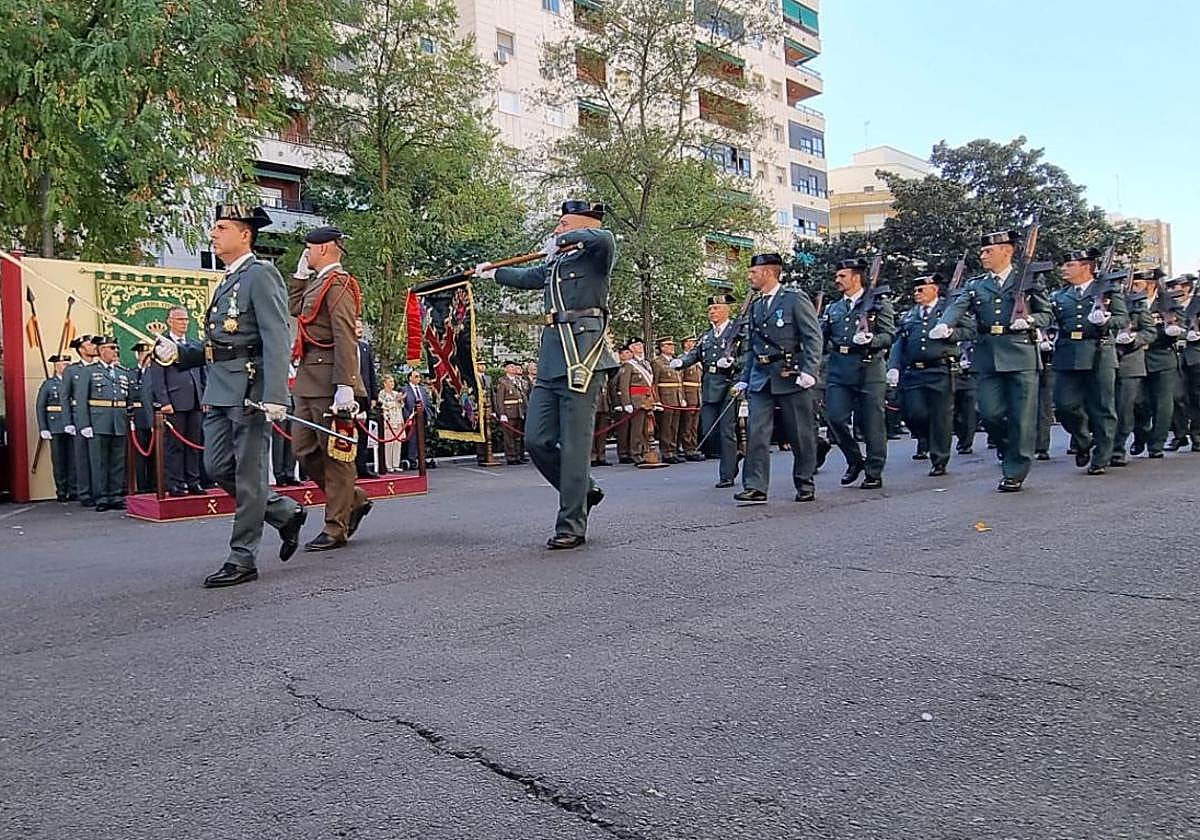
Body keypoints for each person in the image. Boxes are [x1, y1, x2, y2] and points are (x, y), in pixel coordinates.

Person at [156, 204, 306, 587]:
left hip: (250, 389)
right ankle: (285, 512)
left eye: (221, 227)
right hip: (220, 388)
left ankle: (242, 557)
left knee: (250, 473)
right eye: (214, 227)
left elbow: (276, 334)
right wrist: (182, 353)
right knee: (217, 467)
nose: (213, 233)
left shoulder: (261, 275)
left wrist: (276, 393)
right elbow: (220, 343)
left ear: (244, 234)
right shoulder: (227, 280)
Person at [475, 199, 618, 549]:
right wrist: (493, 272)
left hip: (583, 354)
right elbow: (529, 277)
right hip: (553, 357)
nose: (557, 230)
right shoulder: (558, 261)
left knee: (574, 447)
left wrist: (573, 238)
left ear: (585, 225)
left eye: (564, 224)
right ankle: (584, 490)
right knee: (536, 440)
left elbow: (605, 238)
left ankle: (571, 524)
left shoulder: (595, 254)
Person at [932, 229, 1052, 492]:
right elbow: (958, 306)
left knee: (1022, 417)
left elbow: (1047, 314)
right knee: (989, 412)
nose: (983, 255)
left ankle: (1015, 471)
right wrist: (944, 324)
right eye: (983, 251)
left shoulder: (1028, 280)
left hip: (1021, 353)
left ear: (1007, 251)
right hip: (988, 355)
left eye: (988, 251)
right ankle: (1008, 447)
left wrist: (1030, 320)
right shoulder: (976, 285)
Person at [289, 225, 372, 552]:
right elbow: (297, 311)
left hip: (329, 382)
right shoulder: (316, 282)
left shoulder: (339, 285)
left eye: (308, 249)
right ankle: (355, 499)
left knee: (336, 457)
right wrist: (298, 278)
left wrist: (346, 386)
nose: (306, 254)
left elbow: (344, 336)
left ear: (323, 249)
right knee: (304, 451)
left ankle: (335, 526)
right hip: (308, 381)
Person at [731, 252, 821, 504]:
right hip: (762, 377)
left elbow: (812, 337)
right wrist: (745, 377)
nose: (750, 276)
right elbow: (752, 346)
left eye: (753, 272)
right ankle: (755, 486)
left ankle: (805, 482)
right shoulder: (756, 305)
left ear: (768, 272)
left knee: (799, 434)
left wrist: (810, 371)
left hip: (791, 375)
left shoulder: (794, 299)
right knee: (757, 432)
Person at [1046, 249, 1128, 474]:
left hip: (1098, 351)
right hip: (1068, 352)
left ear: (1086, 266)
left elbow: (1123, 319)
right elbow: (1051, 321)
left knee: (1102, 407)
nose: (1064, 269)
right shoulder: (1060, 295)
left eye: (1069, 265)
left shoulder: (1108, 291)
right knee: (1064, 405)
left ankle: (1101, 456)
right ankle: (1082, 439)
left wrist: (1106, 320)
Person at [887, 273, 973, 477]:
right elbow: (900, 342)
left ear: (934, 289)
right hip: (915, 372)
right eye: (915, 290)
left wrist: (951, 334)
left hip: (941, 369)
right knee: (914, 412)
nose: (916, 294)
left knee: (941, 417)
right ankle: (925, 438)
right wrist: (893, 366)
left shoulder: (949, 310)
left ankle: (939, 459)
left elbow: (971, 330)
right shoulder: (909, 315)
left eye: (921, 289)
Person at [821, 257, 895, 489]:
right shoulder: (833, 308)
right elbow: (822, 338)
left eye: (842, 276)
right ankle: (854, 459)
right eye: (837, 276)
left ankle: (874, 470)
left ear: (856, 277)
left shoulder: (878, 304)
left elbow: (889, 335)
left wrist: (872, 339)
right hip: (839, 368)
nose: (837, 280)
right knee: (835, 418)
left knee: (872, 423)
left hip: (869, 367)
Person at [674, 293, 741, 487]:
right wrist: (681, 362)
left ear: (727, 310)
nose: (712, 312)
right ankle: (734, 453)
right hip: (710, 385)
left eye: (716, 308)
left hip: (729, 384)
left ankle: (726, 474)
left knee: (727, 430)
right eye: (710, 309)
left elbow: (747, 355)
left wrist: (733, 363)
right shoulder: (706, 335)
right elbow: (694, 354)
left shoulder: (736, 331)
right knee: (709, 430)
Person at [149, 305, 206, 496]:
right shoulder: (161, 345)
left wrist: (204, 397)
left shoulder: (193, 344)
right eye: (180, 319)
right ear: (170, 321)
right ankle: (175, 482)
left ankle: (193, 480)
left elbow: (202, 372)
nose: (184, 323)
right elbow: (157, 378)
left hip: (195, 400)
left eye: (186, 319)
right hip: (174, 402)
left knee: (193, 443)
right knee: (175, 446)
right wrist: (164, 401)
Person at [1133, 269, 1185, 458]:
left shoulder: (1168, 302)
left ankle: (1157, 444)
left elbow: (1184, 324)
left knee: (1163, 404)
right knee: (1137, 401)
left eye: (1138, 284)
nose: (1133, 287)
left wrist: (1176, 330)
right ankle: (1141, 433)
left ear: (1151, 284)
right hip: (1137, 356)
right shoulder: (1131, 301)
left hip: (1162, 355)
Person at [77, 336, 133, 511]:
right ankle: (101, 497)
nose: (116, 351)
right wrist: (84, 424)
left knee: (117, 461)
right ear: (102, 351)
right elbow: (81, 400)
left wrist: (130, 419)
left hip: (118, 421)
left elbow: (128, 399)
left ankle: (115, 495)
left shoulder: (122, 372)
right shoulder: (89, 372)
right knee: (99, 461)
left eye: (116, 348)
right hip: (98, 421)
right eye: (112, 348)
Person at [1110, 275, 1157, 466]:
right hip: (1104, 359)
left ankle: (1119, 448)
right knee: (1106, 407)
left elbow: (1150, 332)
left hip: (1130, 362)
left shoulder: (1136, 303)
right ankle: (1107, 444)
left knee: (1125, 407)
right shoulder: (1102, 300)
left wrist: (1134, 339)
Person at [62, 334, 98, 506]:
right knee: (82, 458)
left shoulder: (100, 368)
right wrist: (68, 421)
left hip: (99, 417)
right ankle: (85, 493)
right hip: (79, 418)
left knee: (98, 457)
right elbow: (65, 397)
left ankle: (100, 491)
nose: (94, 347)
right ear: (81, 349)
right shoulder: (72, 370)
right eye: (90, 345)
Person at [35, 353, 74, 502]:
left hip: (71, 423)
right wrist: (43, 427)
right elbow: (40, 406)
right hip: (55, 424)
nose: (66, 366)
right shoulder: (49, 384)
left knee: (74, 459)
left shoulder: (73, 382)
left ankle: (74, 489)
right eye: (63, 364)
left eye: (68, 363)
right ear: (56, 366)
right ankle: (62, 491)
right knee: (59, 460)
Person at [616, 337, 655, 465]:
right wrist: (626, 402)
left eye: (641, 344)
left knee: (646, 429)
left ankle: (645, 451)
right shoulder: (629, 365)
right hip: (636, 400)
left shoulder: (646, 364)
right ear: (631, 348)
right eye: (637, 345)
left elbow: (650, 384)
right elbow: (624, 385)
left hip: (647, 399)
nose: (640, 347)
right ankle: (635, 452)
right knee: (636, 429)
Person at [651, 337, 686, 463]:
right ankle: (666, 452)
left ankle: (673, 449)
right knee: (666, 427)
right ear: (662, 347)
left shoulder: (675, 361)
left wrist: (682, 397)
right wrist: (657, 400)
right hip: (665, 398)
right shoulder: (657, 362)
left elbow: (679, 381)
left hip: (676, 397)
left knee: (674, 426)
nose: (672, 347)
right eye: (668, 345)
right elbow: (654, 383)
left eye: (672, 345)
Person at [128, 342, 156, 493]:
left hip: (154, 415)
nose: (147, 359)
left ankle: (154, 483)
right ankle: (142, 485)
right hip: (138, 417)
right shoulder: (130, 373)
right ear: (138, 356)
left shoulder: (155, 373)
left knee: (155, 454)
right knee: (140, 454)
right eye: (144, 355)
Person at [354, 319, 380, 478]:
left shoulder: (365, 347)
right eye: (357, 327)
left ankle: (362, 467)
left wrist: (374, 396)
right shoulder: (345, 346)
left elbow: (371, 373)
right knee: (349, 433)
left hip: (365, 395)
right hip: (350, 396)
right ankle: (350, 469)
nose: (360, 329)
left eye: (361, 327)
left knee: (363, 434)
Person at [493, 361, 528, 465]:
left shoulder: (518, 381)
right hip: (509, 411)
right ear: (506, 369)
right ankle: (511, 457)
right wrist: (502, 413)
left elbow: (523, 396)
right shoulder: (503, 382)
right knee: (509, 436)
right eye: (511, 367)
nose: (513, 368)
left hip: (519, 410)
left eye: (514, 367)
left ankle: (518, 455)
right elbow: (499, 399)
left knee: (517, 436)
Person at [402, 370, 435, 470]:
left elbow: (428, 404)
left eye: (419, 377)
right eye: (416, 376)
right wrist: (408, 417)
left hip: (422, 418)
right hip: (412, 418)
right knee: (412, 440)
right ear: (410, 378)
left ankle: (421, 458)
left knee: (422, 439)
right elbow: (403, 406)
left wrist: (429, 416)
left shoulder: (422, 389)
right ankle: (412, 460)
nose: (418, 378)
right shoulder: (404, 389)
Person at [679, 336, 704, 460]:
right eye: (690, 342)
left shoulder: (698, 360)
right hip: (688, 394)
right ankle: (687, 448)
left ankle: (694, 446)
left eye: (694, 342)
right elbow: (680, 380)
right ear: (684, 344)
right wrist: (682, 396)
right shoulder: (682, 359)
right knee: (687, 423)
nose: (693, 344)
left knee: (694, 424)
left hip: (697, 394)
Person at [611, 344, 634, 463]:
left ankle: (631, 450)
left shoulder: (631, 367)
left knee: (631, 429)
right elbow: (614, 386)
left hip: (631, 401)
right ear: (620, 355)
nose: (629, 354)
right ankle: (623, 453)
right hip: (621, 402)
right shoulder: (618, 368)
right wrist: (617, 404)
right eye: (625, 352)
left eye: (630, 352)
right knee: (623, 430)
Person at [378, 374, 406, 473]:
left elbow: (401, 405)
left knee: (397, 443)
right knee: (388, 443)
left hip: (397, 419)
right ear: (385, 383)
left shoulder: (395, 393)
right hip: (388, 420)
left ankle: (396, 464)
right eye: (390, 381)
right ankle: (388, 465)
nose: (392, 384)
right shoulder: (382, 394)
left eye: (393, 382)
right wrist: (395, 402)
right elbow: (383, 405)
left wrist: (400, 400)